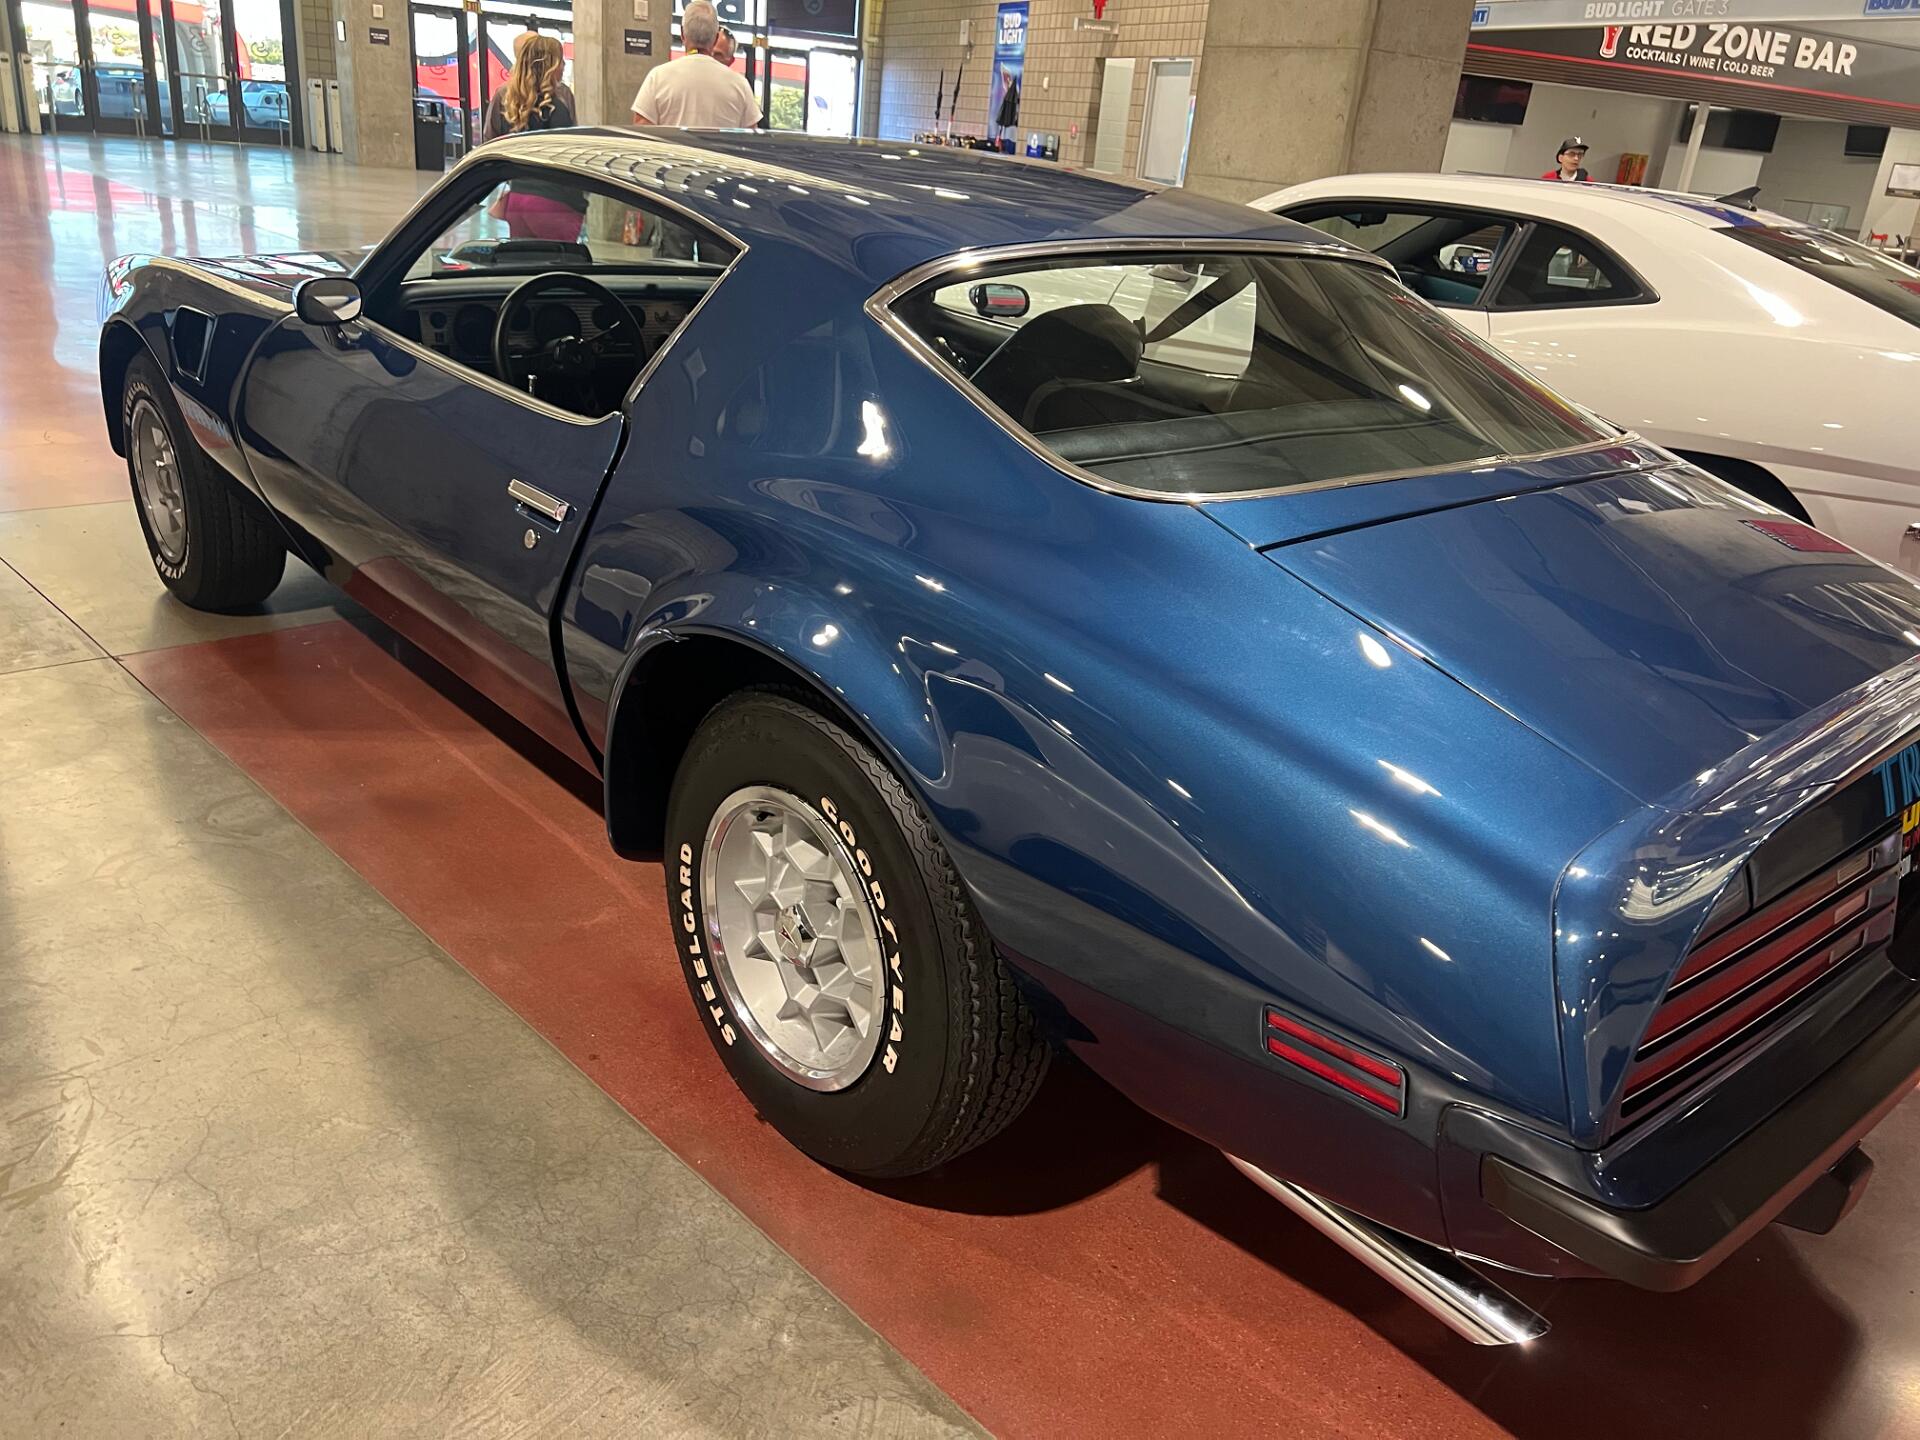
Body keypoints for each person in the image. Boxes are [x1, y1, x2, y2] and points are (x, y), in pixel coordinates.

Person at [481, 32, 587, 241]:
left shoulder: (511, 103)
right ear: (550, 65)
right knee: (559, 261)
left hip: (517, 198)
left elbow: (491, 142)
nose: (564, 66)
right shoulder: (556, 107)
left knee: (525, 257)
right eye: (560, 61)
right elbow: (568, 158)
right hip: (553, 204)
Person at [630, 0, 761, 127]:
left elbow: (642, 129)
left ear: (682, 34)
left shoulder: (657, 77)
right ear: (715, 38)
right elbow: (751, 135)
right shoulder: (740, 85)